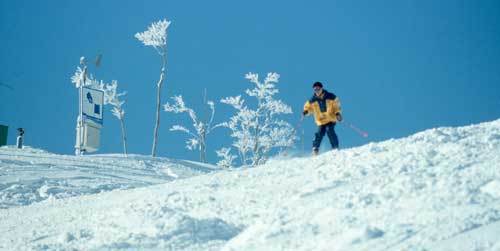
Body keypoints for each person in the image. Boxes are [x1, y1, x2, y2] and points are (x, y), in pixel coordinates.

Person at [302, 82, 342, 155]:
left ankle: (335, 147)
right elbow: (308, 107)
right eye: (315, 89)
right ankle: (315, 149)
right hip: (320, 120)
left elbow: (337, 105)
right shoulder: (312, 100)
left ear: (322, 88)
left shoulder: (331, 96)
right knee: (319, 133)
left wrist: (337, 113)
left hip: (330, 119)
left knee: (329, 130)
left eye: (318, 89)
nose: (317, 91)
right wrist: (306, 112)